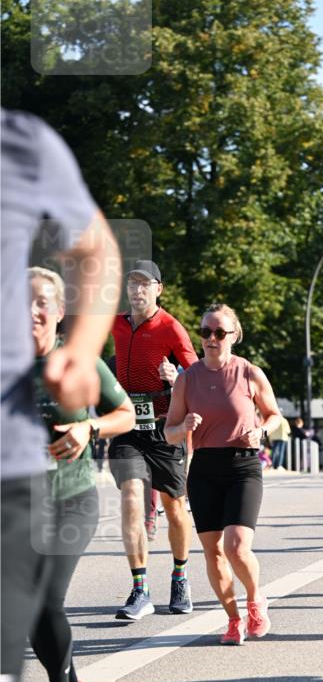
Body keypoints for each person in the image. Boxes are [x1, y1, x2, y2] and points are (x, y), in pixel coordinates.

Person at [1, 108, 120, 682]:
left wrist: (79, 370)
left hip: (50, 494)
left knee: (47, 602)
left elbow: (97, 251)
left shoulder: (20, 146)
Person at [29, 267, 135, 682]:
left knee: (44, 599)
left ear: (58, 312)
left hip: (71, 500)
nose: (31, 311)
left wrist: (87, 428)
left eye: (41, 303)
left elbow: (125, 413)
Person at [165, 304, 281, 644]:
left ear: (234, 335)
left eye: (219, 332)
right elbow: (169, 432)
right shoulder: (187, 379)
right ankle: (233, 619)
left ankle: (255, 600)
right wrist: (183, 426)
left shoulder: (249, 373)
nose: (211, 338)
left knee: (237, 546)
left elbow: (274, 415)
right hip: (204, 468)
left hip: (243, 466)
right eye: (205, 332)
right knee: (213, 552)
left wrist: (261, 431)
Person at [109, 261, 198, 619]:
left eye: (144, 284)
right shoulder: (116, 323)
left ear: (158, 289)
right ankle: (140, 589)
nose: (137, 290)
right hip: (128, 426)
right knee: (132, 496)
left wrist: (177, 376)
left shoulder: (172, 328)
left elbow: (197, 375)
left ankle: (180, 576)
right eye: (132, 283)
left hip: (164, 429)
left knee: (175, 509)